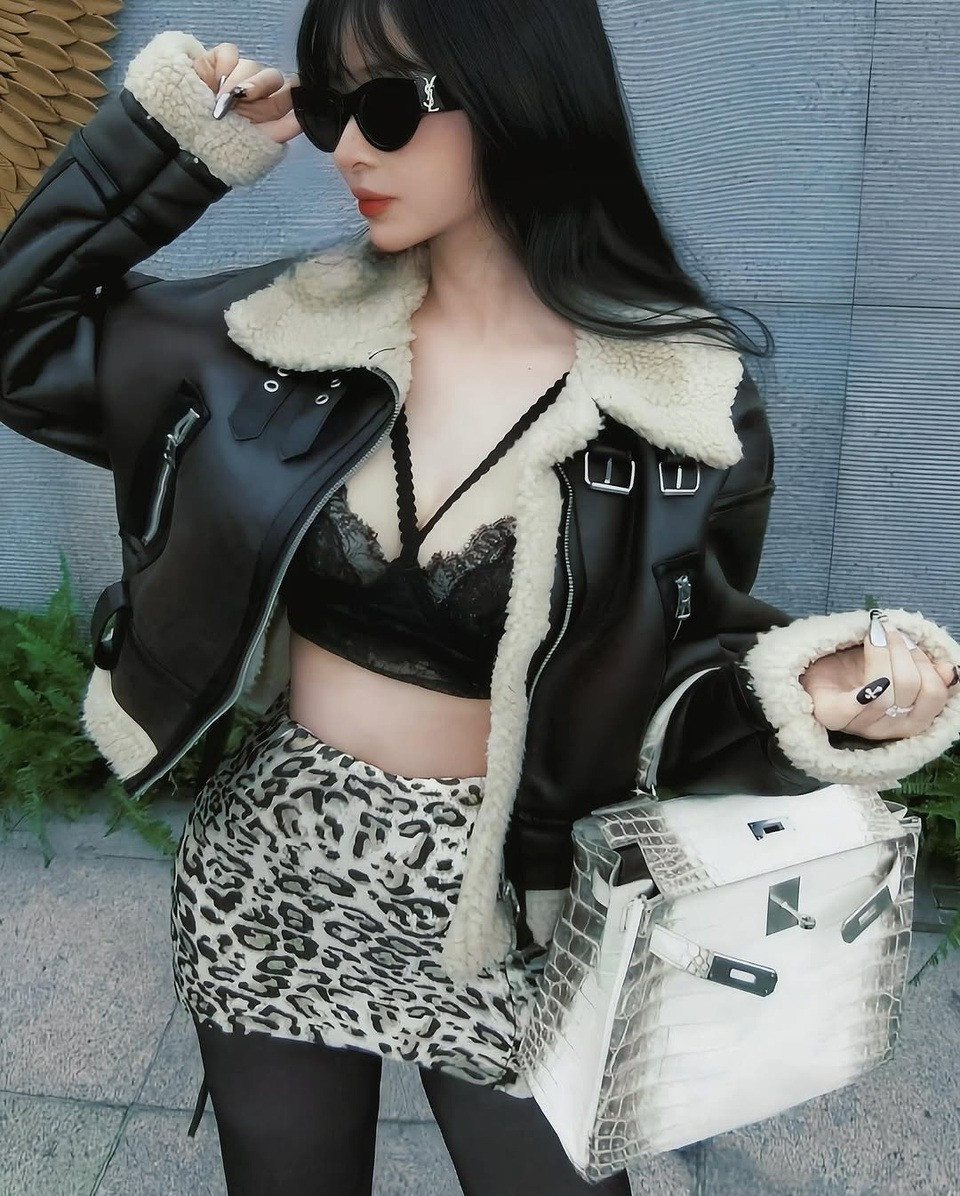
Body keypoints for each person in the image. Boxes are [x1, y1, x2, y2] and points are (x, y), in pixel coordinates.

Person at [1, 2, 958, 1194]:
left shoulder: (677, 405)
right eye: (332, 107)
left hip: (519, 904)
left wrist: (820, 693)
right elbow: (20, 337)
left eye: (387, 106)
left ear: (520, 97)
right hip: (273, 869)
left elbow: (671, 671)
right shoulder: (276, 341)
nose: (349, 148)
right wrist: (171, 147)